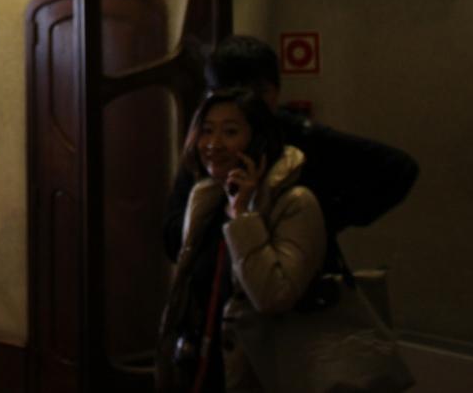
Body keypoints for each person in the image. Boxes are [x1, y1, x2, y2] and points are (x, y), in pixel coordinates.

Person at [162, 35, 418, 261]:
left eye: (258, 94)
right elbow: (173, 240)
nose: (247, 108)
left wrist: (321, 222)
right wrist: (217, 213)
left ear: (274, 92)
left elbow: (398, 169)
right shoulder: (207, 147)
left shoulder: (298, 137)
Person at [155, 89, 327, 392]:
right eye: (207, 131)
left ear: (257, 140)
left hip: (262, 374)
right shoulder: (207, 198)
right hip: (204, 369)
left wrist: (244, 218)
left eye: (230, 132)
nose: (213, 144)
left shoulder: (294, 203)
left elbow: (273, 296)